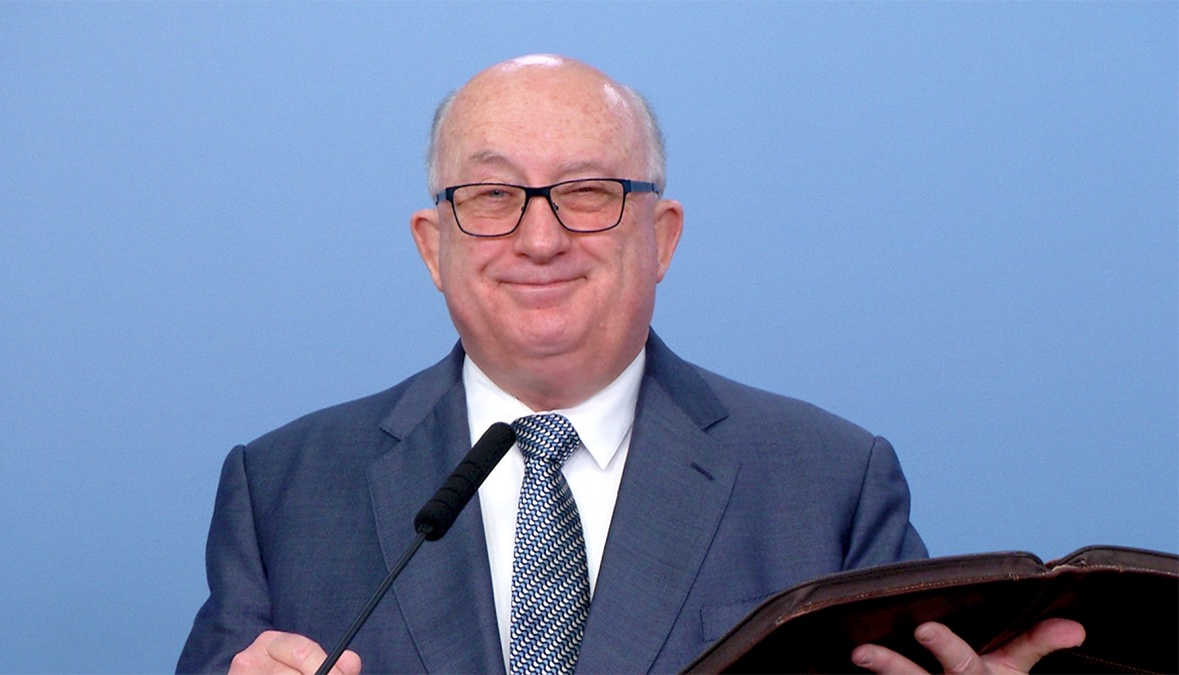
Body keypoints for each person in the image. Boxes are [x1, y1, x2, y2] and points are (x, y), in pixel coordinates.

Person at [177, 54, 1084, 674]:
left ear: (662, 237)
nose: (540, 238)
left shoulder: (832, 484)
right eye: (491, 195)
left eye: (587, 193)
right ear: (432, 244)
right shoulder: (283, 489)